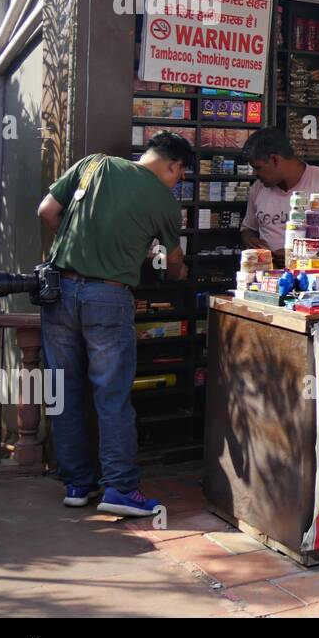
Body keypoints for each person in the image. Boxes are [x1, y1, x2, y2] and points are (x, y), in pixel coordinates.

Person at [36, 132, 193, 517]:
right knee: (112, 395)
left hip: (59, 292)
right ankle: (120, 489)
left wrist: (85, 250)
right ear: (173, 166)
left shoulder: (93, 164)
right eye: (180, 175)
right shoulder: (163, 202)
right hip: (109, 298)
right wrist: (177, 270)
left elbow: (46, 211)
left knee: (64, 390)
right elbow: (173, 264)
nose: (177, 181)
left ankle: (76, 484)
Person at [240, 127, 319, 263]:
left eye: (258, 168)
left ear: (275, 160)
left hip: (315, 277)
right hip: (269, 275)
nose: (254, 174)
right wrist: (251, 241)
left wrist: (297, 253)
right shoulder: (257, 188)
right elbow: (248, 228)